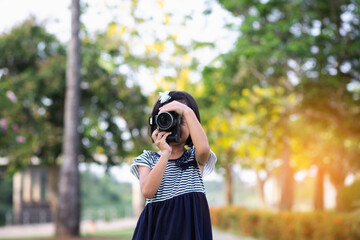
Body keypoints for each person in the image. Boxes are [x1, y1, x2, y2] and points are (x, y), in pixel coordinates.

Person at [130, 91, 217, 240]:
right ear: (157, 123)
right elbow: (148, 191)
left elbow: (204, 149)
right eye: (169, 119)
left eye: (181, 120)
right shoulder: (147, 158)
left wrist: (186, 111)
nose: (174, 125)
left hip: (189, 230)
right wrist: (165, 154)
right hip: (158, 230)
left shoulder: (194, 156)